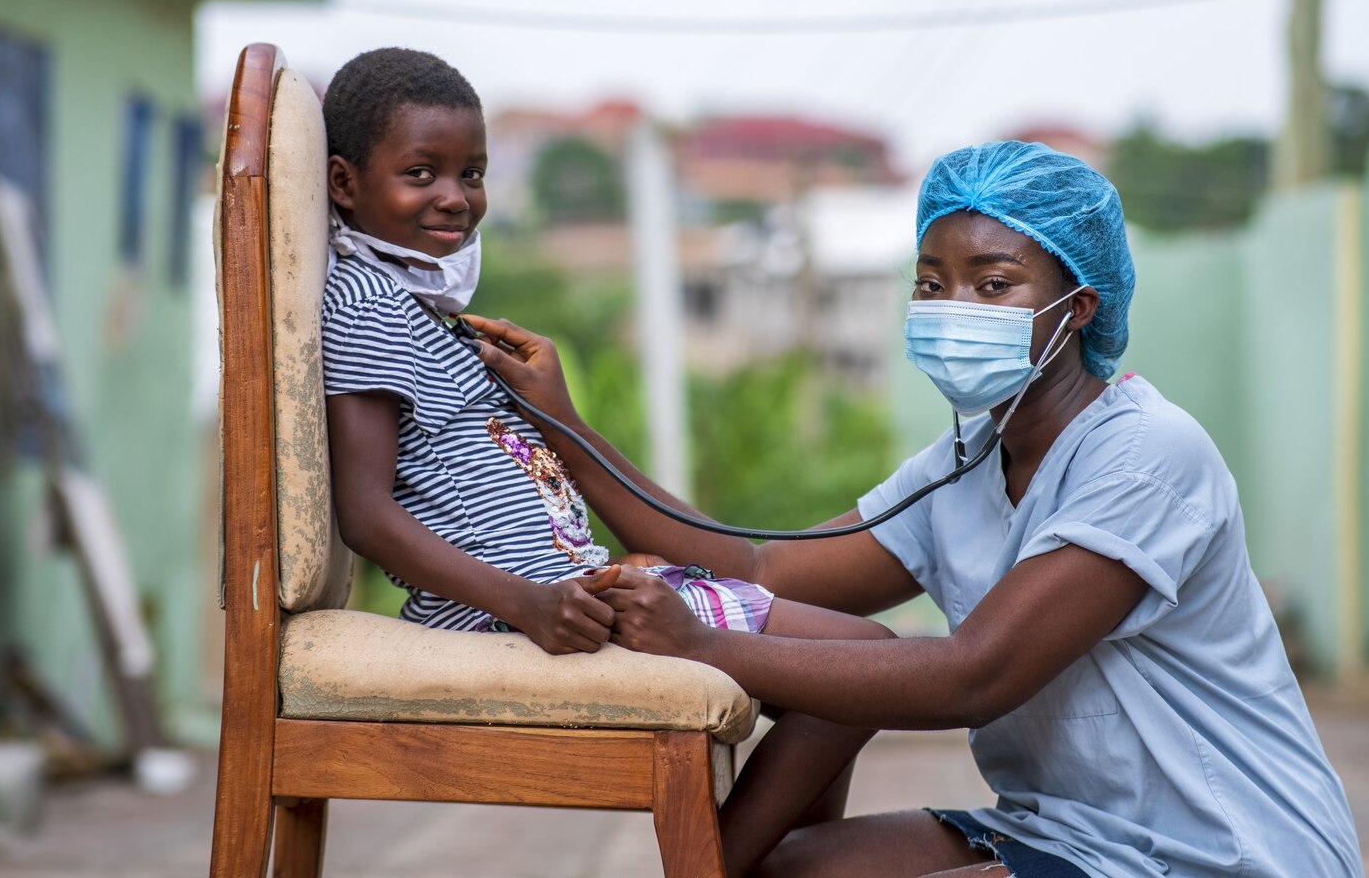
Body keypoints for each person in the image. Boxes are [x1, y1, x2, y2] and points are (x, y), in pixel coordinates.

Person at [465, 141, 1364, 878]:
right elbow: (761, 566)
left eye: (993, 282)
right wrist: (562, 421)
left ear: (1079, 306)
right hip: (1065, 832)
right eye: (932, 282)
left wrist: (702, 644)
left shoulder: (1146, 457)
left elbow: (975, 674)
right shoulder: (970, 459)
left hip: (1226, 853)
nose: (951, 307)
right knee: (792, 868)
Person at [318, 46, 901, 876]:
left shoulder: (426, 310)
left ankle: (749, 863)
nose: (454, 197)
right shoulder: (371, 307)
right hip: (515, 612)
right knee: (867, 665)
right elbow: (367, 514)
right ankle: (727, 867)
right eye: (421, 172)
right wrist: (527, 603)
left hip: (578, 591)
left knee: (863, 666)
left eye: (472, 173)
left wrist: (560, 427)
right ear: (345, 184)